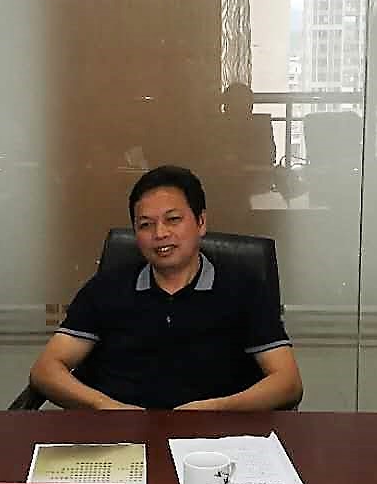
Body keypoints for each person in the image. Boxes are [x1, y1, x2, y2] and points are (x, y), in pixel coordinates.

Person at [29, 165, 303, 411]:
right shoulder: (106, 288)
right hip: (122, 434)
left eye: (173, 220)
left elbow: (288, 382)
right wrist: (105, 407)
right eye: (145, 225)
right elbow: (45, 370)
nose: (160, 234)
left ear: (201, 222)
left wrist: (218, 409)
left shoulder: (244, 288)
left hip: (214, 437)